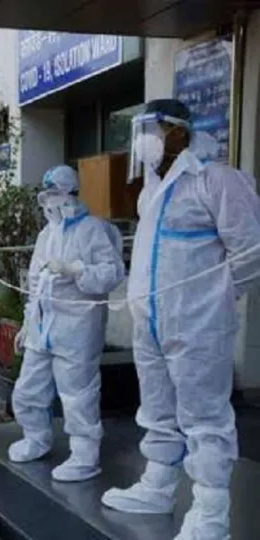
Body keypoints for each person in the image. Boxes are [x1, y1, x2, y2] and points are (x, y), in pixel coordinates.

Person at [100, 99, 260, 539]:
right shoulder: (152, 189)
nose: (143, 140)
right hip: (151, 321)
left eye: (151, 129)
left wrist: (213, 300)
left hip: (197, 323)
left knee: (205, 414)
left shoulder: (216, 180)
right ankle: (157, 485)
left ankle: (211, 512)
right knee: (157, 406)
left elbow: (250, 251)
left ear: (178, 132)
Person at [9, 165, 125, 482]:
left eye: (56, 193)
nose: (50, 200)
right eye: (46, 194)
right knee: (28, 389)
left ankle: (85, 456)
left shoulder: (93, 230)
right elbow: (35, 283)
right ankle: (35, 438)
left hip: (77, 327)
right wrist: (27, 323)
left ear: (72, 193)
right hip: (42, 326)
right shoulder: (46, 235)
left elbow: (112, 273)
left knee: (78, 394)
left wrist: (77, 270)